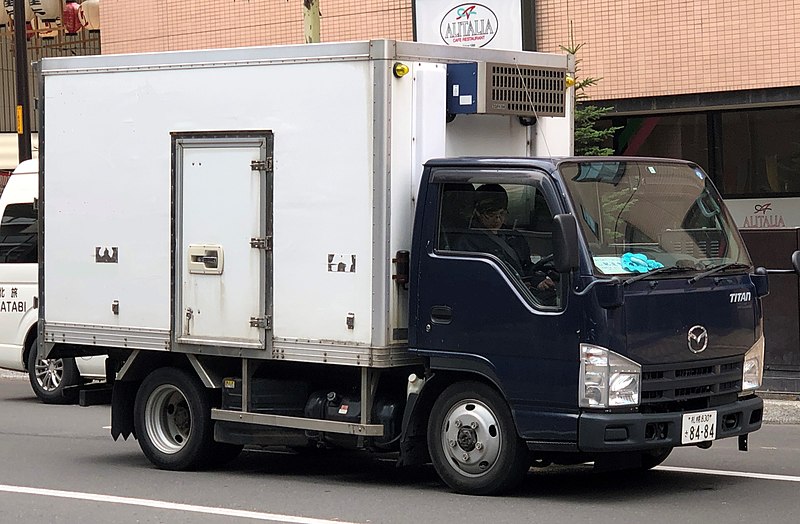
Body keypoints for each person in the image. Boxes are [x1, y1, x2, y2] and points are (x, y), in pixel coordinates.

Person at [455, 184, 556, 298]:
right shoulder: (467, 242)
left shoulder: (512, 236)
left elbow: (526, 265)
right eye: (491, 214)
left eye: (502, 213)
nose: (497, 219)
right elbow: (476, 280)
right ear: (477, 213)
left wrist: (538, 280)